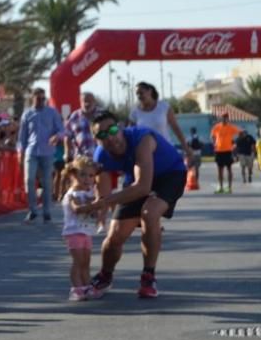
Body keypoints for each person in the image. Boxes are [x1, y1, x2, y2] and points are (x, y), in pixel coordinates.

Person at [82, 111, 187, 299]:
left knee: (149, 213)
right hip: (135, 180)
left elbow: (143, 187)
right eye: (103, 135)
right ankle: (105, 275)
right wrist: (97, 211)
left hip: (170, 175)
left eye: (113, 130)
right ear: (96, 140)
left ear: (121, 128)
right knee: (115, 235)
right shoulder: (101, 156)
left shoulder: (142, 139)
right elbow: (104, 195)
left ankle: (148, 276)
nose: (111, 137)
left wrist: (105, 202)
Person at [18, 87, 64, 222]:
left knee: (46, 182)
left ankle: (46, 211)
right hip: (31, 151)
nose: (42, 101)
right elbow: (22, 137)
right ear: (33, 98)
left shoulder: (52, 113)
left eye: (44, 98)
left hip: (47, 152)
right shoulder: (27, 114)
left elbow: (62, 130)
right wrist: (20, 152)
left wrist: (57, 136)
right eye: (39, 98)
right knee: (29, 180)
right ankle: (32, 210)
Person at [59, 156, 97, 301]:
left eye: (91, 175)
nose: (87, 179)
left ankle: (87, 286)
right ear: (74, 175)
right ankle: (76, 288)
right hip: (74, 231)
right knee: (78, 261)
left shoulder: (90, 193)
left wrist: (96, 208)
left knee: (86, 261)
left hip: (86, 231)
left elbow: (94, 211)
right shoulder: (71, 194)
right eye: (83, 175)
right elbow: (77, 209)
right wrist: (93, 205)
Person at [130, 81, 190, 152]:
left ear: (149, 91)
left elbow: (176, 129)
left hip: (165, 150)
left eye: (141, 93)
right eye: (137, 94)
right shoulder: (135, 112)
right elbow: (132, 134)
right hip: (145, 153)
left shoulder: (164, 107)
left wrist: (186, 148)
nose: (139, 96)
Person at [210, 112, 241, 193]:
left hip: (228, 151)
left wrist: (235, 144)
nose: (224, 119)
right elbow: (212, 136)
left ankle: (229, 187)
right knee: (220, 170)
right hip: (219, 151)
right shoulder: (216, 127)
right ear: (221, 118)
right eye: (223, 117)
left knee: (229, 169)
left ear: (228, 118)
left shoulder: (231, 127)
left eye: (226, 117)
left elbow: (240, 133)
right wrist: (214, 143)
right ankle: (220, 187)